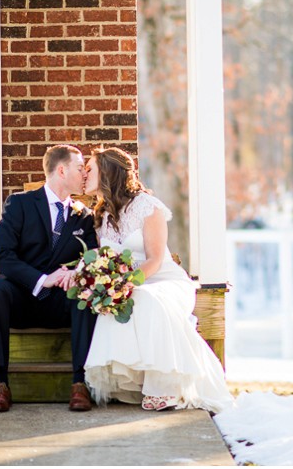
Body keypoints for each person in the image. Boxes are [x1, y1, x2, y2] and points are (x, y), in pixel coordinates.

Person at [79, 147, 233, 413]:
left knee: (145, 297)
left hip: (163, 280)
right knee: (119, 302)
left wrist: (127, 283)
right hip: (130, 282)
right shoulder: (102, 215)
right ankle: (134, 380)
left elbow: (155, 259)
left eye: (89, 169)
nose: (84, 174)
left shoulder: (146, 207)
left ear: (106, 172)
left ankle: (164, 388)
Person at [0, 144, 99, 412]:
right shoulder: (21, 204)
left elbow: (92, 256)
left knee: (86, 294)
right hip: (22, 296)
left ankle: (80, 383)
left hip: (61, 301)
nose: (84, 174)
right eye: (80, 168)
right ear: (61, 170)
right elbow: (0, 254)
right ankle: (0, 384)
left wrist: (76, 271)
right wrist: (40, 279)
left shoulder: (84, 216)